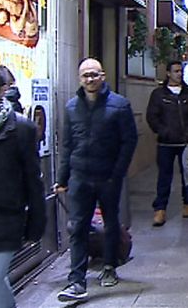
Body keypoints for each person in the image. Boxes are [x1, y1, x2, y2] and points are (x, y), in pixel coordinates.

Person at [55, 58, 138, 302]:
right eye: (85, 76)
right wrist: (63, 178)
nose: (90, 79)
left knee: (111, 222)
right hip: (80, 176)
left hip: (108, 177)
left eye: (94, 74)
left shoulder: (120, 106)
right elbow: (67, 145)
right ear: (79, 79)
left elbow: (129, 141)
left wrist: (118, 173)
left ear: (103, 76)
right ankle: (76, 280)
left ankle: (110, 265)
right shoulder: (71, 107)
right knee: (77, 226)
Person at [0, 62, 45, 308]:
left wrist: (36, 225)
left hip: (4, 222)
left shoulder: (21, 129)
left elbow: (32, 180)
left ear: (3, 88)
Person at [146, 60, 188, 227]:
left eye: (181, 71)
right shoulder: (159, 95)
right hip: (166, 143)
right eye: (176, 71)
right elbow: (152, 117)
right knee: (164, 176)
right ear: (168, 73)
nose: (179, 74)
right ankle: (160, 209)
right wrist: (164, 131)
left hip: (186, 142)